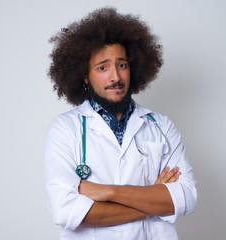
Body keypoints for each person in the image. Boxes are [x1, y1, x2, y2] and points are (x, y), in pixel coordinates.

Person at [44, 7, 197, 240]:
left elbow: (186, 198)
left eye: (122, 65)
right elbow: (66, 211)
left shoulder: (161, 126)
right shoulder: (65, 129)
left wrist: (107, 192)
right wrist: (154, 199)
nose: (115, 77)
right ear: (85, 75)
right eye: (102, 67)